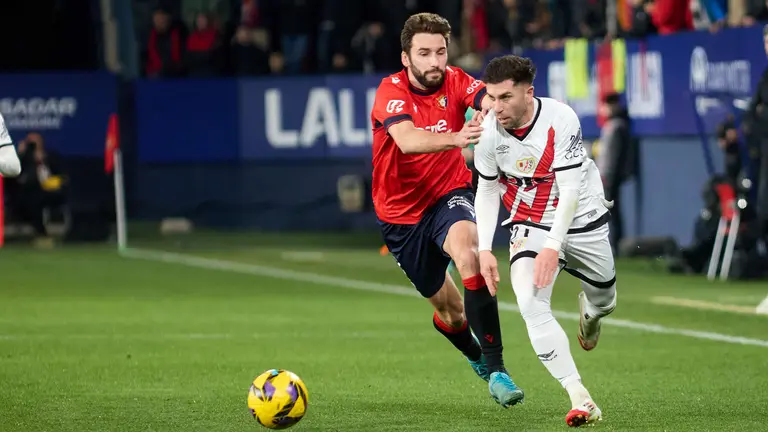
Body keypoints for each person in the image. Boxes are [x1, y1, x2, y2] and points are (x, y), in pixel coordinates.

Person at [370, 13, 523, 407]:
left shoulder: (455, 79)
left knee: (469, 252)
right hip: (400, 218)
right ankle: (475, 356)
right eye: (424, 53)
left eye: (440, 51)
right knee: (452, 313)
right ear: (406, 57)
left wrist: (495, 106)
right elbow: (405, 140)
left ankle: (498, 370)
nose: (435, 61)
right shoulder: (390, 91)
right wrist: (458, 137)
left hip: (448, 194)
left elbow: (482, 97)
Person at [473, 55, 617, 426]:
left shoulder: (560, 118)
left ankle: (593, 313)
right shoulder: (488, 130)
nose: (497, 107)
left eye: (505, 97)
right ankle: (580, 396)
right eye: (491, 97)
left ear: (528, 92)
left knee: (605, 299)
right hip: (529, 221)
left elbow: (569, 189)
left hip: (581, 215)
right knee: (528, 299)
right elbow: (488, 190)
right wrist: (485, 248)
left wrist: (554, 246)